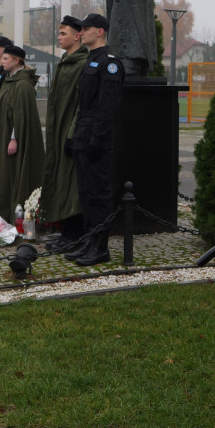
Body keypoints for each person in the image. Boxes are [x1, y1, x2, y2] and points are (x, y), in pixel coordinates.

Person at [59, 13, 125, 266]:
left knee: (98, 194)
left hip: (96, 137)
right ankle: (89, 239)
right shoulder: (91, 61)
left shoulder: (109, 63)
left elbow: (107, 109)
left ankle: (100, 247)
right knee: (86, 193)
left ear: (100, 32)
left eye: (86, 29)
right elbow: (82, 106)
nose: (81, 32)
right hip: (83, 135)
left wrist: (96, 140)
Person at [43, 15, 90, 250]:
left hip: (71, 134)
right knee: (61, 180)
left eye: (64, 34)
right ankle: (66, 232)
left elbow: (83, 104)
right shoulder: (64, 62)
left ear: (77, 36)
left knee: (72, 183)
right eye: (59, 33)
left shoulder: (82, 64)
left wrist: (72, 133)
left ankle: (74, 235)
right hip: (57, 133)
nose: (59, 37)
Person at [0, 44, 45, 222]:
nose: (2, 62)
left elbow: (19, 115)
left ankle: (14, 214)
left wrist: (14, 138)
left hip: (12, 140)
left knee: (11, 174)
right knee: (3, 175)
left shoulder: (23, 85)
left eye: (5, 59)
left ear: (16, 60)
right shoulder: (9, 81)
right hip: (1, 137)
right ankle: (0, 212)